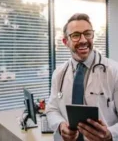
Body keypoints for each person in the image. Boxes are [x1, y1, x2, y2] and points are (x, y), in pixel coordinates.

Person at [46, 13, 118, 141]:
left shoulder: (114, 71)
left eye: (87, 33)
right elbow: (52, 109)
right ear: (65, 41)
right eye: (75, 35)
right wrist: (61, 125)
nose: (83, 40)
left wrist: (111, 134)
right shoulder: (59, 73)